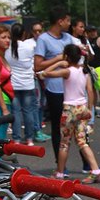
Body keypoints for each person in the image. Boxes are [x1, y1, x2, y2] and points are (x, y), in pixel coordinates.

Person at [44, 44, 100, 183]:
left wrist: (58, 62)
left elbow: (46, 73)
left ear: (66, 56)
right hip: (82, 108)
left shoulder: (67, 71)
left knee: (64, 143)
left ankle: (59, 172)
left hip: (69, 110)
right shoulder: (85, 71)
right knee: (82, 141)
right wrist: (89, 108)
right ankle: (96, 170)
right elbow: (90, 91)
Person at [34, 8, 79, 157]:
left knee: (78, 126)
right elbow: (37, 66)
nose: (69, 24)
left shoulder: (68, 38)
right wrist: (58, 59)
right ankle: (59, 163)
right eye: (67, 21)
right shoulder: (44, 39)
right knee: (58, 127)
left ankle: (87, 164)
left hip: (72, 89)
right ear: (60, 21)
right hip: (55, 89)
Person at [6, 23, 40, 145]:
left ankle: (16, 139)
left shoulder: (7, 48)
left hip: (13, 83)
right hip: (28, 83)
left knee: (15, 112)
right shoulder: (29, 47)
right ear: (23, 34)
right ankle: (29, 139)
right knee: (28, 111)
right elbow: (34, 63)